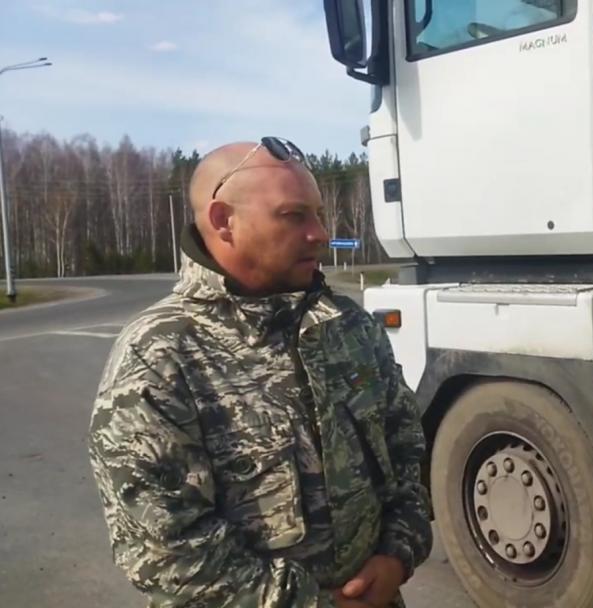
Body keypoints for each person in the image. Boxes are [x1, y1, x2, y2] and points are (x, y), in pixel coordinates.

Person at [88, 137, 431, 607]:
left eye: (319, 214)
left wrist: (397, 555)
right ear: (222, 221)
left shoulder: (346, 326)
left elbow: (406, 449)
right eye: (294, 215)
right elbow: (164, 547)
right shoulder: (160, 353)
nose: (319, 234)